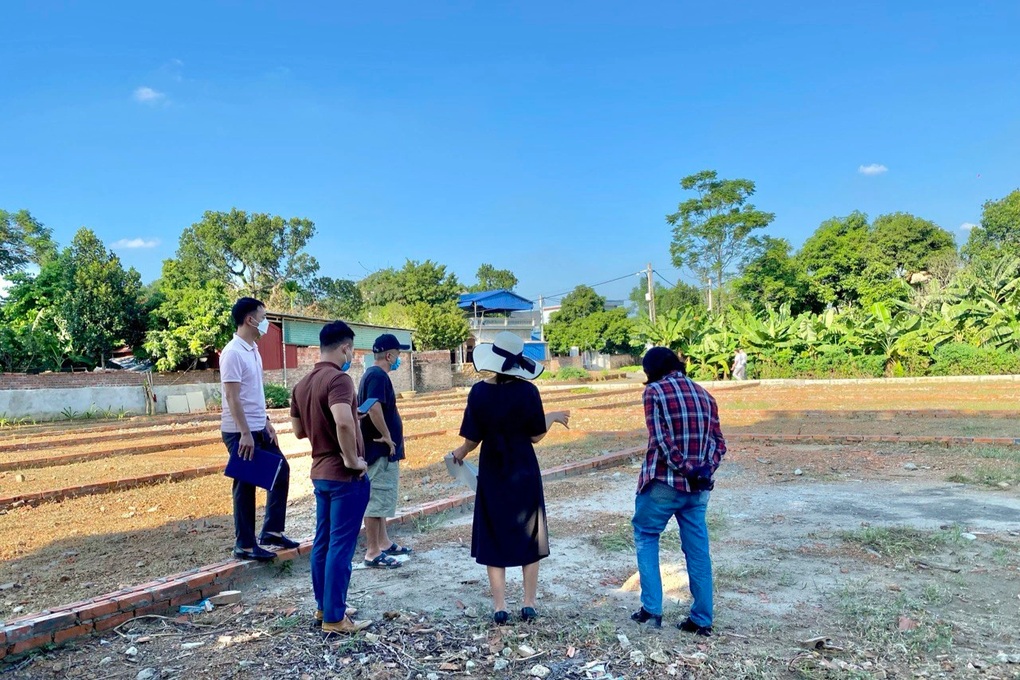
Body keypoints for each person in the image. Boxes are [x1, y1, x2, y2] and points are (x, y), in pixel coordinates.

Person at [451, 332, 569, 625]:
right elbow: (535, 436)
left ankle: (500, 607)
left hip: (493, 470)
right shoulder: (528, 392)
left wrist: (459, 453)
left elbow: (472, 439)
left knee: (493, 533)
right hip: (524, 469)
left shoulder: (478, 392)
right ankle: (528, 604)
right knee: (530, 531)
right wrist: (553, 416)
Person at [631, 346, 726, 636]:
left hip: (664, 483)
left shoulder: (654, 392)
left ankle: (652, 609)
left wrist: (687, 469)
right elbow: (719, 443)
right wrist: (704, 471)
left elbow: (661, 440)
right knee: (697, 551)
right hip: (697, 489)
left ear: (651, 371)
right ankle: (702, 619)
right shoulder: (705, 395)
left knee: (646, 535)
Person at [290, 321, 371, 635]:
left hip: (320, 473)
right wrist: (352, 460)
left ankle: (324, 607)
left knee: (322, 543)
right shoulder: (339, 379)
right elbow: (343, 422)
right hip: (344, 476)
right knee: (341, 546)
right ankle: (336, 619)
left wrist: (324, 423)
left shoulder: (302, 384)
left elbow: (299, 431)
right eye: (352, 349)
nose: (352, 354)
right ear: (345, 348)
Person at [220, 297, 298, 562]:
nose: (266, 323)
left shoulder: (253, 349)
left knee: (280, 470)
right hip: (239, 431)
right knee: (245, 484)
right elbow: (232, 396)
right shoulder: (232, 352)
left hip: (257, 426)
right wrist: (244, 433)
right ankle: (244, 544)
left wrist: (265, 421)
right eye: (263, 318)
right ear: (249, 319)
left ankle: (272, 531)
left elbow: (253, 393)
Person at [358, 333, 412, 569]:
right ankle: (372, 552)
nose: (399, 359)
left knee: (382, 499)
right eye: (398, 355)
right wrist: (388, 437)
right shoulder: (377, 376)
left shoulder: (374, 375)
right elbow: (373, 407)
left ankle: (383, 542)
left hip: (383, 450)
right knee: (376, 498)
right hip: (379, 449)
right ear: (389, 356)